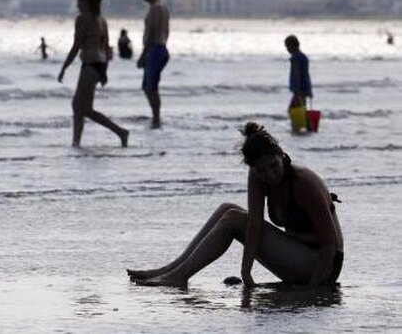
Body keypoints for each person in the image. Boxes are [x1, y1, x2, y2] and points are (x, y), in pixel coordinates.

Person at [127, 122, 344, 288]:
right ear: (253, 168)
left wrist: (313, 289)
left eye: (273, 166)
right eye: (261, 170)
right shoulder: (258, 175)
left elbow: (331, 244)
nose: (270, 175)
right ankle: (170, 270)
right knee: (227, 208)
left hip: (322, 265)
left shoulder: (303, 182)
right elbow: (255, 224)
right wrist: (246, 271)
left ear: (280, 154)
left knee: (233, 219)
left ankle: (179, 277)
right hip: (298, 254)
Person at [57, 0, 129, 147]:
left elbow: (76, 46)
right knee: (78, 106)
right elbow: (107, 49)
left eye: (79, 1)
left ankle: (120, 132)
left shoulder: (82, 19)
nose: (77, 5)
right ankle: (76, 143)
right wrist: (105, 72)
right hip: (99, 65)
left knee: (84, 109)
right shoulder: (102, 19)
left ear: (87, 2)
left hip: (90, 65)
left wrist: (64, 68)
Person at [135, 0, 170, 129]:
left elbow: (152, 31)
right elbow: (166, 31)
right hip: (160, 48)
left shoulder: (155, 8)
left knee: (151, 87)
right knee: (147, 86)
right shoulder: (163, 8)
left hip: (154, 49)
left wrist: (144, 54)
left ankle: (156, 118)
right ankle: (155, 117)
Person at [286, 35, 313, 131]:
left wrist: (297, 90)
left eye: (287, 46)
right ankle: (306, 128)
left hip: (299, 89)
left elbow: (296, 74)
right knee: (302, 109)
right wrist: (309, 90)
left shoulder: (295, 58)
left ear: (292, 46)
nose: (287, 49)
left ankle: (299, 128)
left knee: (293, 109)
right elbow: (306, 74)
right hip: (305, 87)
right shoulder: (303, 57)